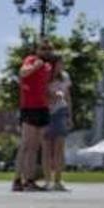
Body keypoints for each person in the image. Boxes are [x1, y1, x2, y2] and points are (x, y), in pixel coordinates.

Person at [13, 40, 54, 192]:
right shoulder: (32, 60)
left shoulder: (48, 67)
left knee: (35, 147)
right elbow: (23, 73)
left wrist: (52, 95)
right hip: (29, 107)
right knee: (26, 144)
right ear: (37, 50)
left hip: (42, 107)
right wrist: (34, 66)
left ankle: (29, 180)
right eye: (43, 48)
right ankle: (17, 179)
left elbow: (42, 87)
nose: (46, 51)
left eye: (48, 49)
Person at [44, 57, 71, 191]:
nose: (62, 66)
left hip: (61, 111)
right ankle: (48, 180)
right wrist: (51, 95)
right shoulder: (45, 76)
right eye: (60, 63)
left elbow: (68, 96)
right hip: (47, 113)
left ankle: (58, 181)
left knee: (59, 149)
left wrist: (69, 115)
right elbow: (42, 93)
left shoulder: (65, 77)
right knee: (48, 149)